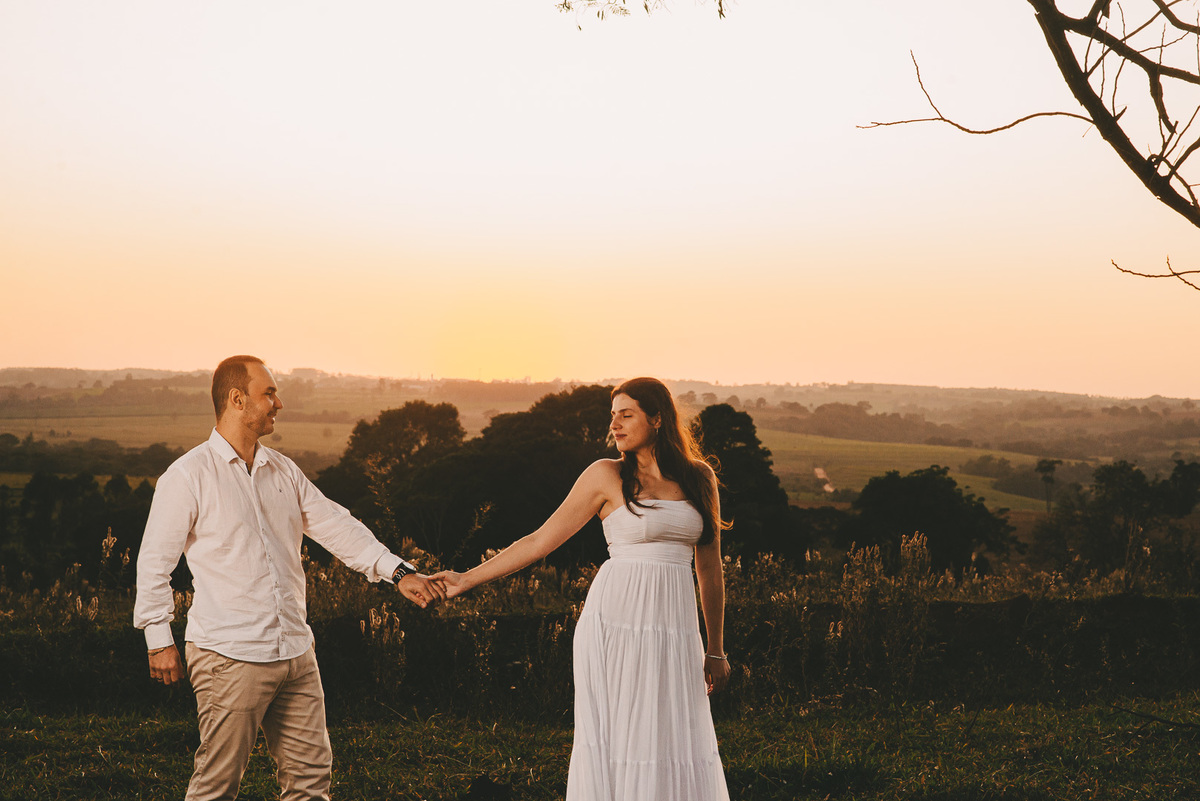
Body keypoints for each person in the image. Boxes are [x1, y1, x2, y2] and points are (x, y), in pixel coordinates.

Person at [134, 355, 445, 801]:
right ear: (237, 400)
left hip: (296, 652)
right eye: (270, 393)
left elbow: (336, 525)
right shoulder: (187, 477)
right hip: (229, 655)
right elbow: (154, 562)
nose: (278, 403)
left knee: (311, 784)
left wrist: (397, 572)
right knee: (217, 787)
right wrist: (159, 639)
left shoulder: (282, 470)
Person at [434, 377, 732, 800]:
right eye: (613, 416)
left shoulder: (700, 478)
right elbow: (539, 541)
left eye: (626, 414)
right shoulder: (605, 475)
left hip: (675, 628)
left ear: (658, 418)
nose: (616, 424)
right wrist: (466, 578)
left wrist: (716, 648)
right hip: (616, 621)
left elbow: (710, 570)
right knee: (625, 733)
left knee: (673, 731)